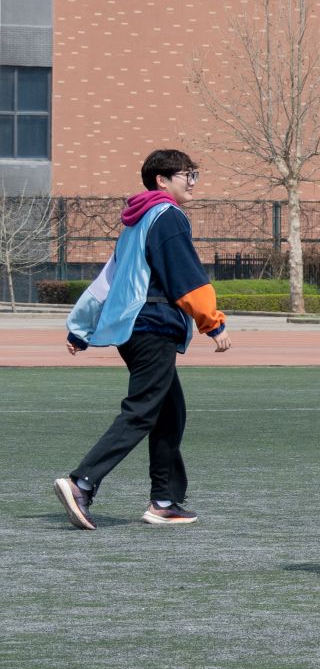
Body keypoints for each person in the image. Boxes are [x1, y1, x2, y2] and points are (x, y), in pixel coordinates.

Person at [54, 148, 231, 530]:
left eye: (194, 174)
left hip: (133, 329)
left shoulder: (136, 222)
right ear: (161, 180)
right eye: (188, 174)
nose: (192, 182)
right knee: (143, 410)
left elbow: (106, 281)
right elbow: (187, 276)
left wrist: (80, 329)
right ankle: (81, 482)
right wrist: (212, 322)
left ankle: (164, 501)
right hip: (153, 325)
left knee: (170, 411)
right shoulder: (168, 217)